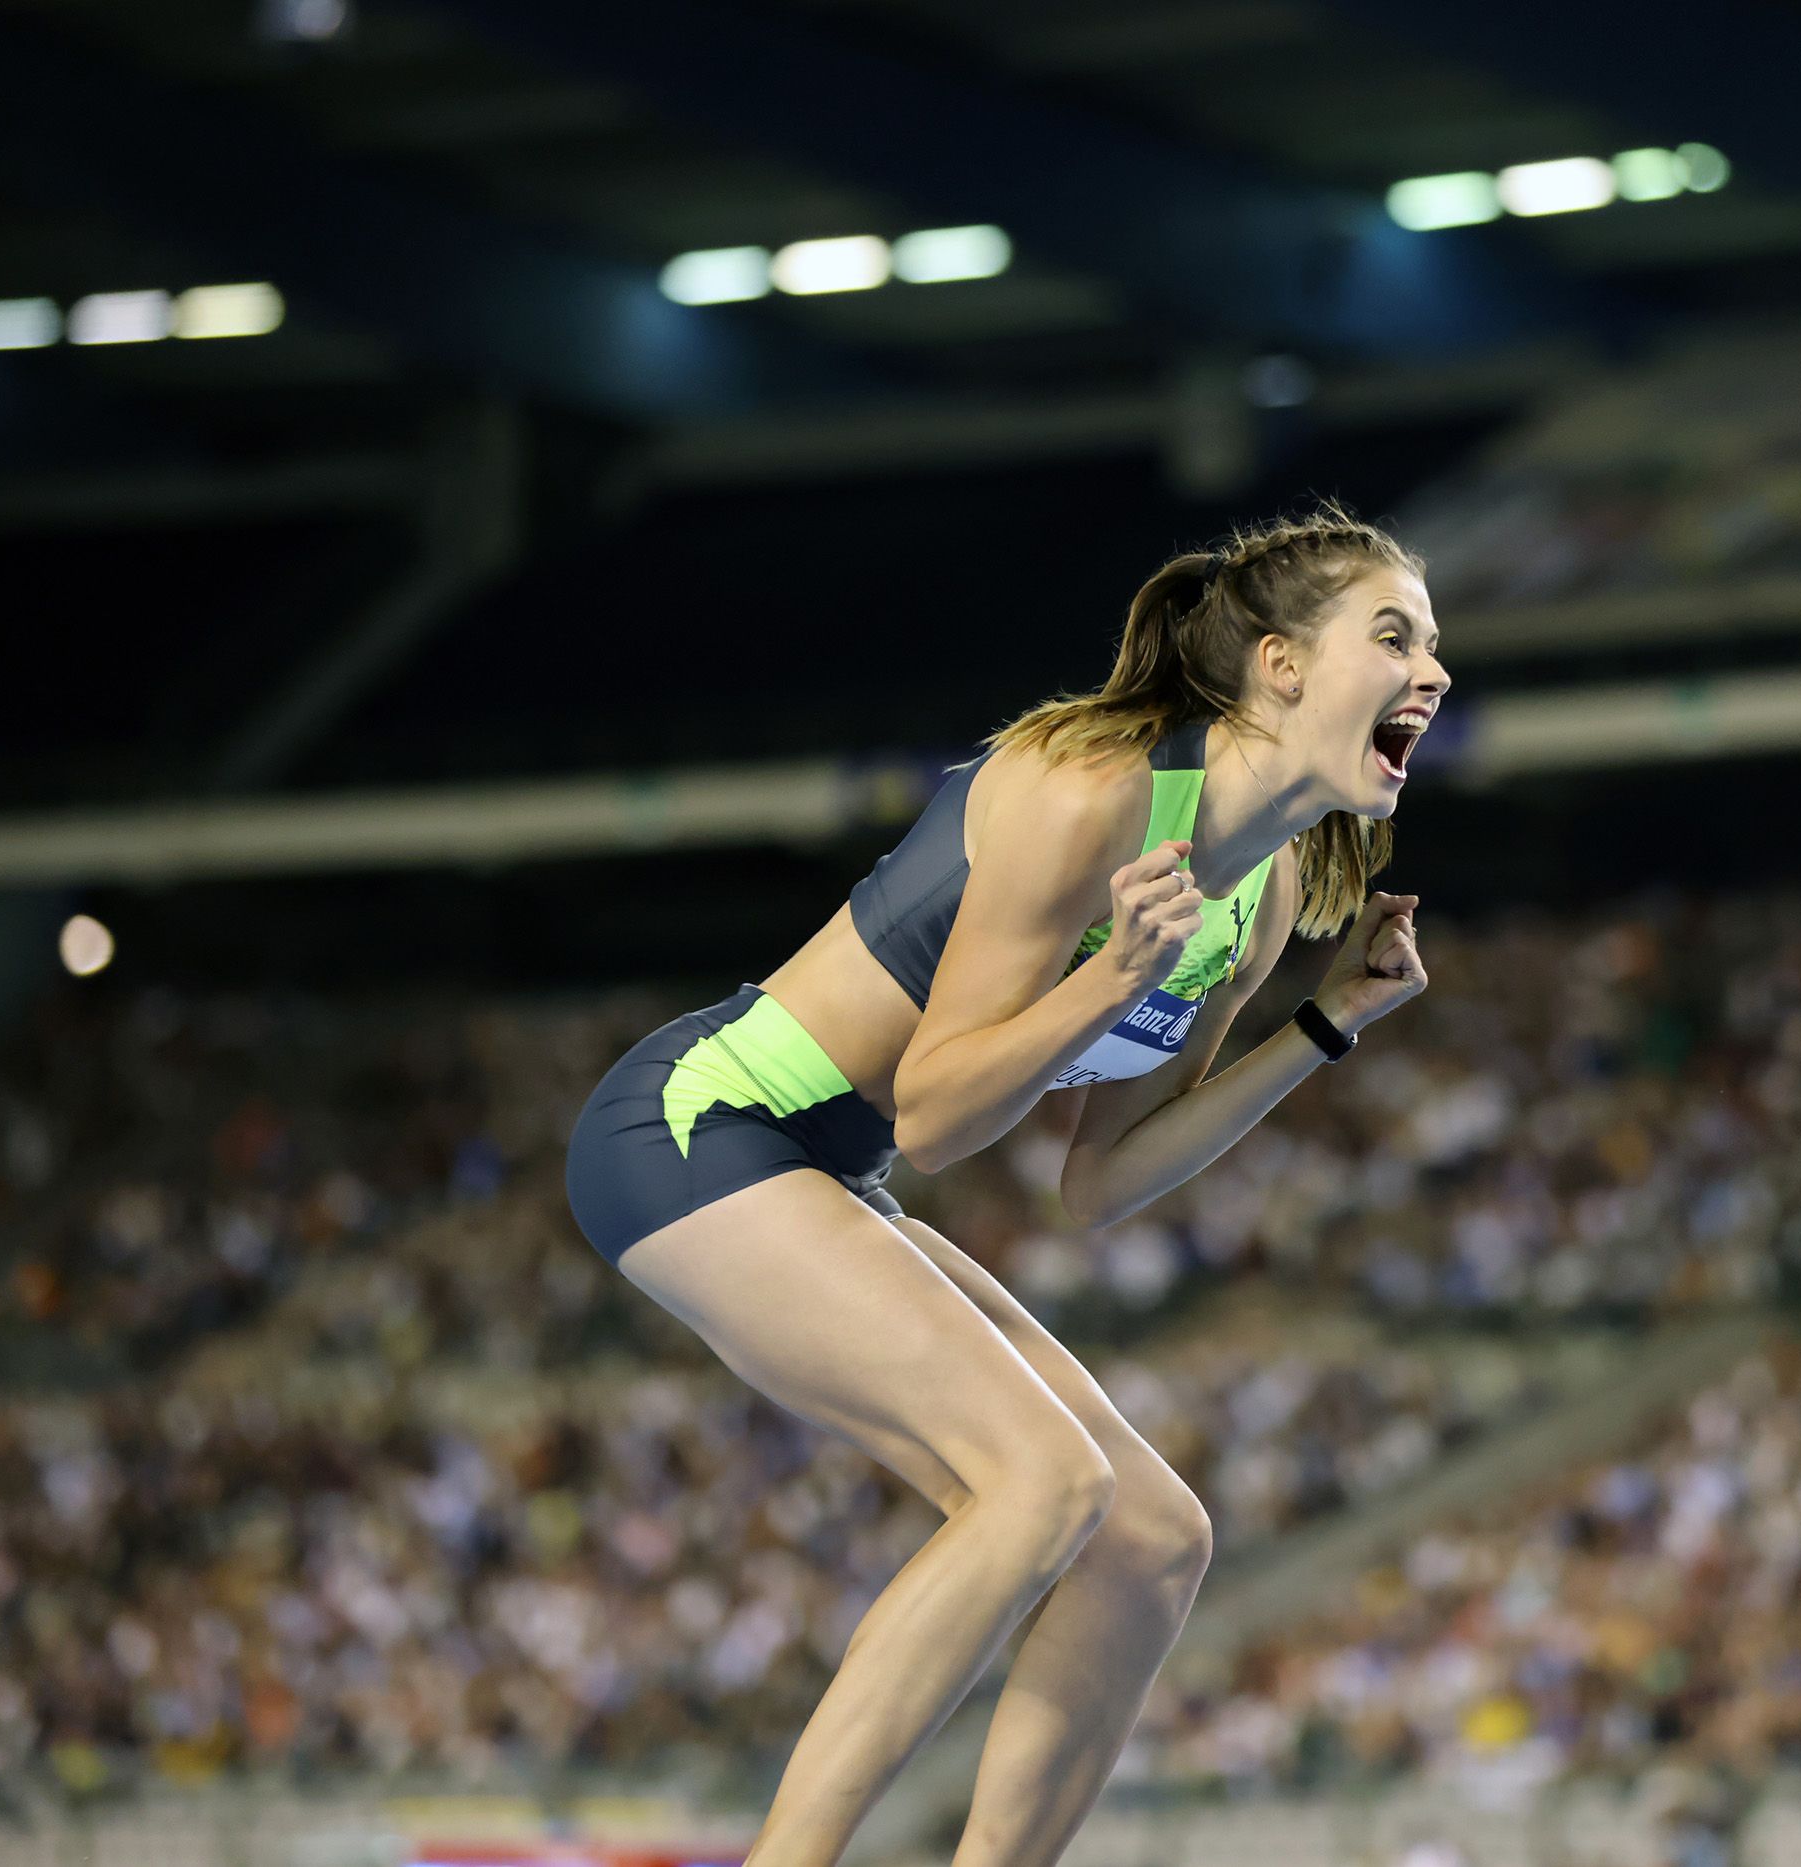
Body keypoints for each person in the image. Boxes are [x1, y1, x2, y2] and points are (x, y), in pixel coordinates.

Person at [562, 505, 1447, 1867]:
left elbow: (1096, 1183)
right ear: (1279, 665)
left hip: (829, 1171)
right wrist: (1110, 977)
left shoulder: (1258, 901)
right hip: (704, 1126)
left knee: (1154, 1537)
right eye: (1395, 636)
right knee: (1038, 1483)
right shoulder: (1086, 783)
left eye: (1434, 646)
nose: (1433, 673)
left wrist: (1321, 1030)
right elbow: (933, 1108)